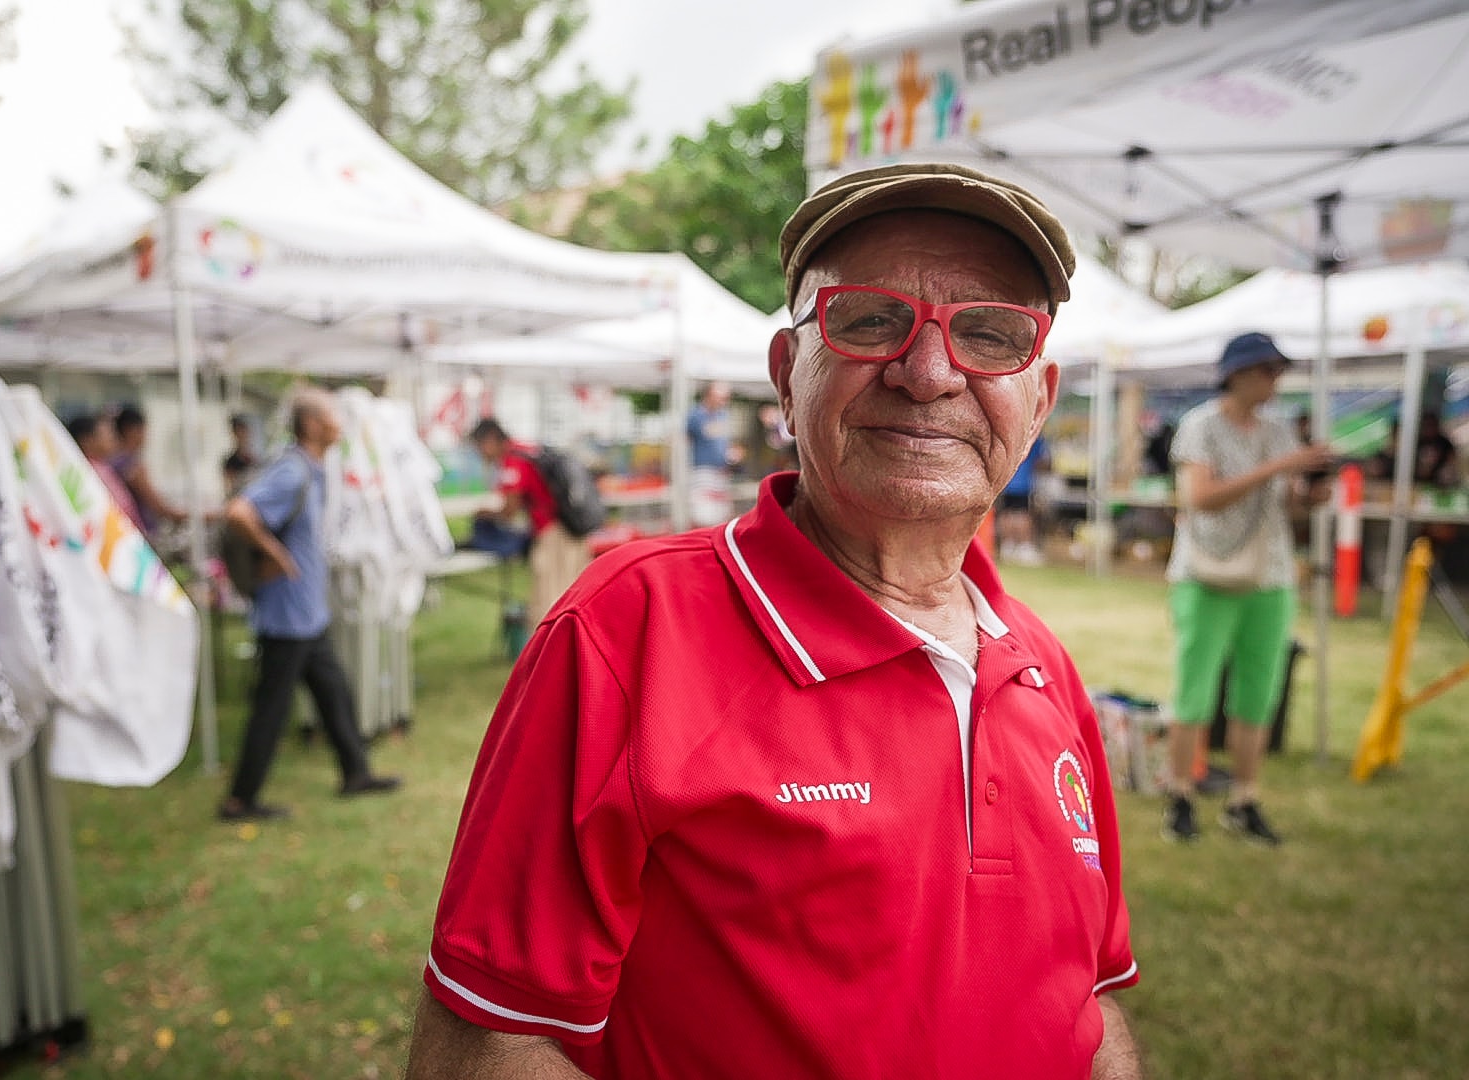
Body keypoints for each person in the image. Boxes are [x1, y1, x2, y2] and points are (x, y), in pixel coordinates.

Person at [409, 163, 1141, 1079]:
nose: (927, 373)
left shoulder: (1042, 666)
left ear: (1038, 401)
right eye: (870, 321)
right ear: (789, 376)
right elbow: (491, 1039)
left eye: (991, 335)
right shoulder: (625, 631)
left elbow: (1094, 996)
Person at [1162, 332, 1332, 846]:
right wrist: (1278, 468)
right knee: (1195, 689)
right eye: (1267, 371)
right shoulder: (1201, 426)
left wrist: (1312, 494)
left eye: (1278, 372)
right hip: (1205, 574)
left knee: (1258, 693)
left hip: (1270, 575)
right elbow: (1201, 497)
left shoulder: (1279, 430)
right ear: (1237, 374)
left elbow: (1291, 508)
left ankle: (1244, 797)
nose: (1274, 381)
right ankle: (1180, 794)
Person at [218, 388, 401, 822]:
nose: (339, 423)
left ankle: (355, 773)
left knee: (334, 693)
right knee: (271, 709)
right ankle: (240, 801)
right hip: (286, 618)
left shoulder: (313, 468)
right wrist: (277, 554)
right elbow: (239, 513)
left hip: (307, 615)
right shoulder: (292, 471)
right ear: (314, 424)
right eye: (333, 416)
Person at [469, 418, 591, 626]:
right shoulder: (529, 449)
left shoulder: (512, 461)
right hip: (572, 527)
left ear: (489, 440)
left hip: (552, 534)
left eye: (479, 448)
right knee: (576, 594)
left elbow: (510, 509)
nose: (480, 454)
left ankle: (550, 655)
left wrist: (484, 513)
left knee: (546, 602)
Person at [110, 404, 189, 537]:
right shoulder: (132, 467)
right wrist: (201, 515)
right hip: (140, 533)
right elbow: (159, 508)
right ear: (132, 430)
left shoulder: (111, 462)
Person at [66, 411, 142, 527]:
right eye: (107, 434)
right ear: (87, 440)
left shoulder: (104, 467)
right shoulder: (88, 472)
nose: (113, 438)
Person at [686, 380, 739, 526]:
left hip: (721, 471)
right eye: (721, 397)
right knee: (702, 513)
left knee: (721, 511)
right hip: (702, 470)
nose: (724, 401)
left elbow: (724, 441)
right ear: (709, 395)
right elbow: (685, 440)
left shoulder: (723, 415)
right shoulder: (696, 415)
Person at [997, 431, 1050, 565]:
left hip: (1007, 482)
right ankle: (1023, 546)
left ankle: (1008, 545)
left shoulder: (1012, 434)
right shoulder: (1036, 438)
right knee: (1022, 514)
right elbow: (1043, 462)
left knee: (1007, 513)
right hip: (1023, 483)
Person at [223, 413, 259, 497]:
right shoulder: (230, 462)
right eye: (238, 432)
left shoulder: (254, 460)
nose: (242, 436)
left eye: (243, 431)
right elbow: (229, 488)